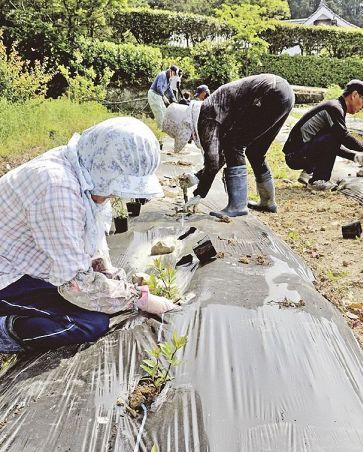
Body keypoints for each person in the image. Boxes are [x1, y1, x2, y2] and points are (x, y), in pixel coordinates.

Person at [0, 117, 175, 354]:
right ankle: (6, 330)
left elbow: (91, 249)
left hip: (31, 263)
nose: (112, 196)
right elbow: (76, 284)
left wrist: (111, 277)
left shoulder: (84, 171)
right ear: (104, 169)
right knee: (88, 323)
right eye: (113, 188)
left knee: (99, 306)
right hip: (7, 274)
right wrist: (137, 299)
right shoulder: (57, 187)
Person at [162, 74, 294, 217]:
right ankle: (268, 202)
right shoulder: (211, 107)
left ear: (187, 124)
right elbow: (221, 157)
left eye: (188, 137)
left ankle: (237, 206)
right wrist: (198, 177)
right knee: (255, 150)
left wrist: (199, 193)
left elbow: (214, 161)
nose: (190, 141)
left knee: (234, 144)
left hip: (269, 93)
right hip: (283, 92)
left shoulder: (207, 116)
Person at [283, 80, 363, 191]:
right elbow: (341, 137)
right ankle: (318, 181)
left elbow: (329, 145)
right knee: (334, 137)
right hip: (295, 156)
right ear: (354, 95)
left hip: (298, 153)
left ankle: (308, 172)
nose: (362, 107)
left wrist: (354, 156)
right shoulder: (334, 108)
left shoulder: (336, 107)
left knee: (333, 137)